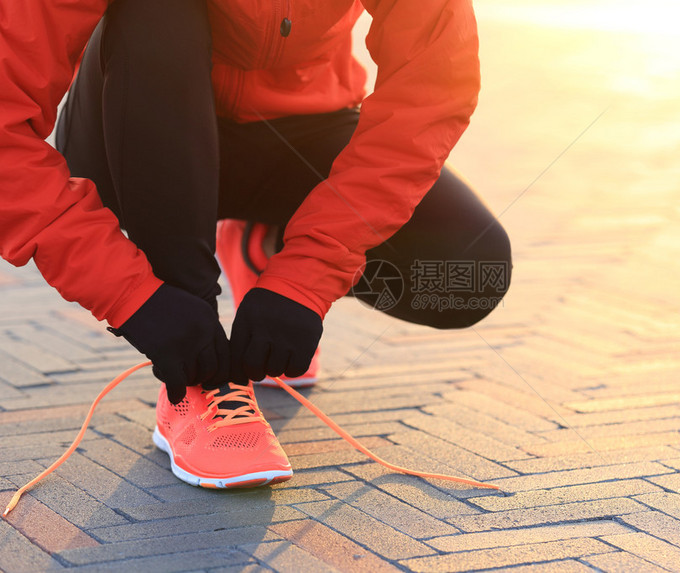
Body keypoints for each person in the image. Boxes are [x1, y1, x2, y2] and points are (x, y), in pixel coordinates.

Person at [0, 0, 511, 489]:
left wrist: (307, 275)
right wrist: (132, 295)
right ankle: (199, 378)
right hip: (131, 126)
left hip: (300, 129)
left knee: (467, 270)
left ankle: (265, 248)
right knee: (157, 9)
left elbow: (433, 87)